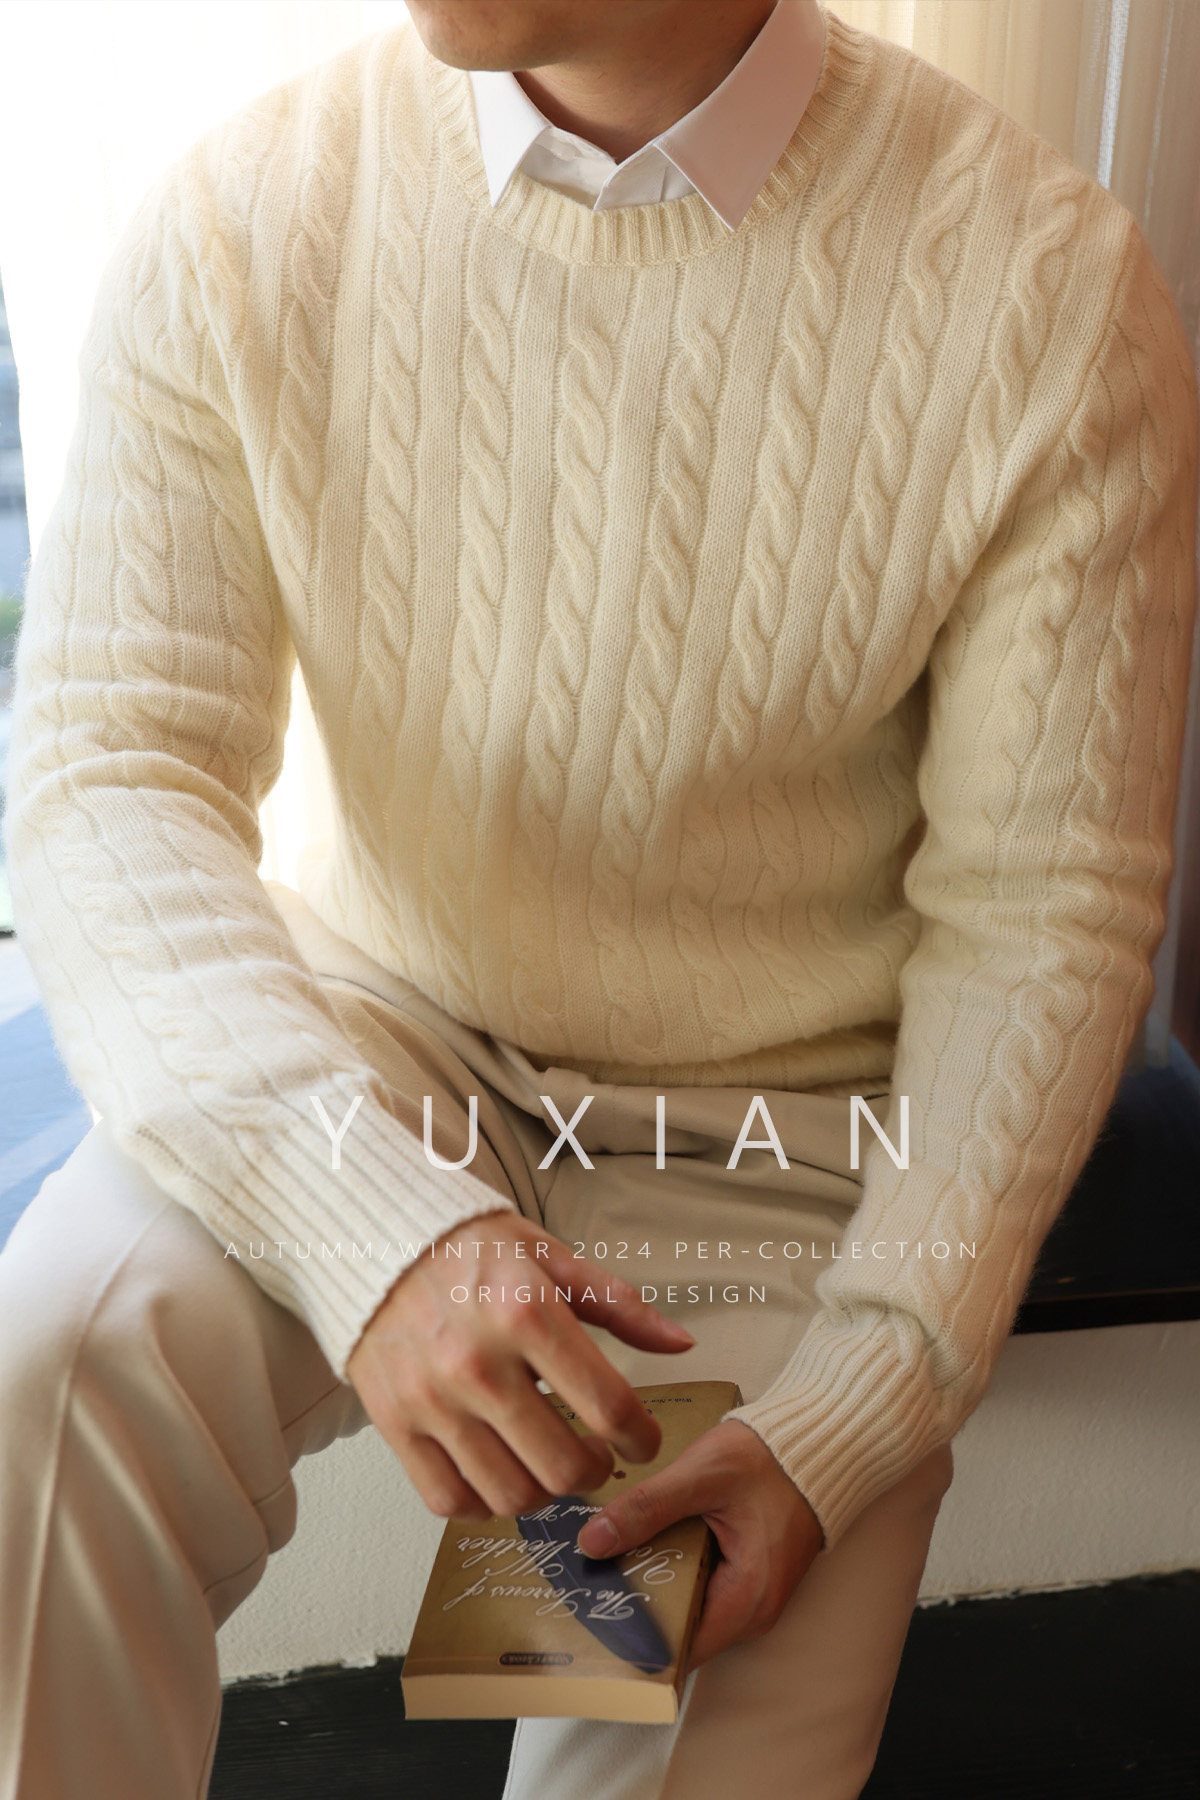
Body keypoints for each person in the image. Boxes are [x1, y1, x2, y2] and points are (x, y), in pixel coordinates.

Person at [1, 0, 1196, 1795]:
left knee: (683, 1712)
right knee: (55, 1374)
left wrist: (853, 1412)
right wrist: (381, 1235)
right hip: (388, 1046)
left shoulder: (1047, 287)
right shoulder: (244, 215)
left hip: (782, 1142)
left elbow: (1043, 918)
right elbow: (112, 771)